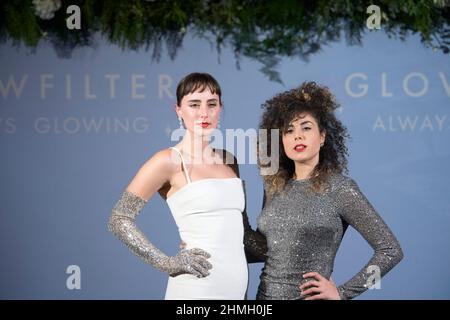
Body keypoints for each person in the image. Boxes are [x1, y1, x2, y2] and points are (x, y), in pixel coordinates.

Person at [243, 81, 404, 300]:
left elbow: (391, 250)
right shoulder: (274, 187)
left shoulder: (340, 188)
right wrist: (237, 214)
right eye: (289, 130)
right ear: (282, 141)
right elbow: (263, 251)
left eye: (306, 127)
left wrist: (343, 293)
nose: (297, 136)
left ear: (322, 137)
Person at [108, 72, 248, 299]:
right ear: (179, 111)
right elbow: (119, 218)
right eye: (194, 104)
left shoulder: (229, 160)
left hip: (236, 287)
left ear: (220, 108)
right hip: (196, 287)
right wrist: (167, 263)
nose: (204, 112)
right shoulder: (167, 160)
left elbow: (241, 232)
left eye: (211, 104)